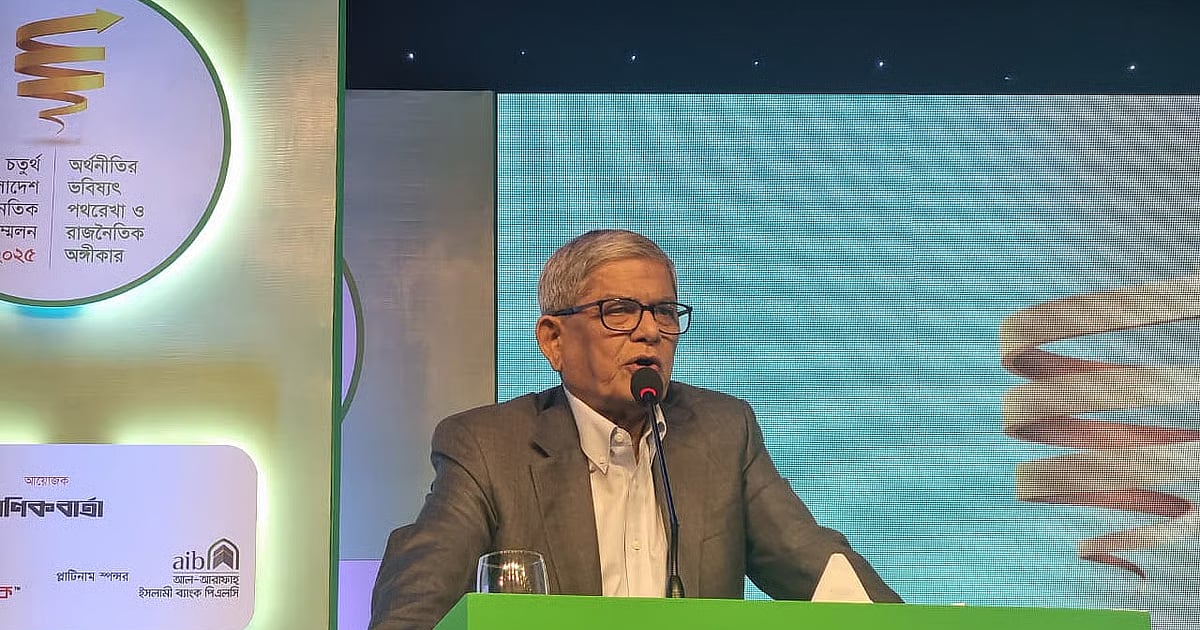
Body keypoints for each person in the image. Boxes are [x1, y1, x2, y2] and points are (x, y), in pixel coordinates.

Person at [370, 229, 901, 630]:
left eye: (664, 312)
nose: (650, 331)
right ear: (554, 340)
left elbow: (822, 573)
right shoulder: (487, 447)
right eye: (619, 311)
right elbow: (415, 607)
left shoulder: (722, 431)